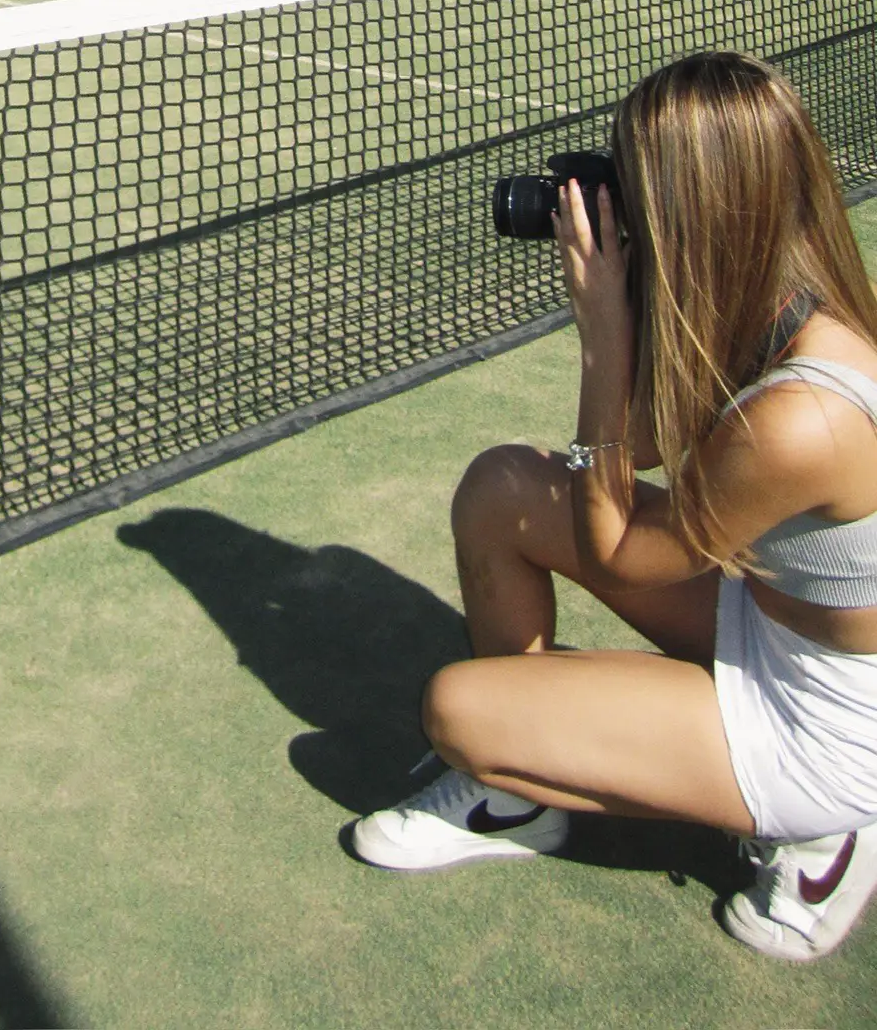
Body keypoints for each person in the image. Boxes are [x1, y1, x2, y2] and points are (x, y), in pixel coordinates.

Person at [349, 51, 877, 963]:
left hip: (824, 724)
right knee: (502, 489)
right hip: (773, 619)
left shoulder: (805, 418)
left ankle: (831, 830)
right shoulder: (780, 300)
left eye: (631, 185)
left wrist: (602, 332)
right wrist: (636, 304)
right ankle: (516, 795)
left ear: (695, 210)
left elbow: (616, 553)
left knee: (460, 712)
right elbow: (642, 450)